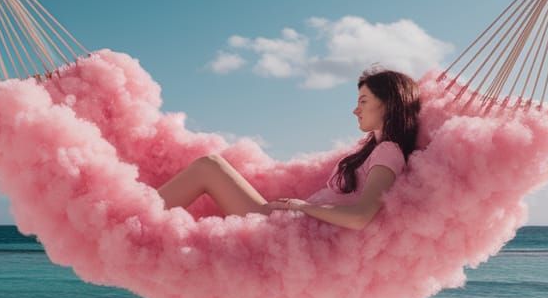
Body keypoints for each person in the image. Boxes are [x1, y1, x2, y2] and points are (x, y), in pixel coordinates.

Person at [156, 67, 420, 230]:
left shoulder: (388, 152)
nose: (355, 110)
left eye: (363, 101)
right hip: (291, 226)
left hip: (288, 230)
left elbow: (361, 217)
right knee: (208, 168)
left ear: (389, 104)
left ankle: (131, 221)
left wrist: (301, 207)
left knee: (209, 166)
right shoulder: (374, 149)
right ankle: (135, 219)